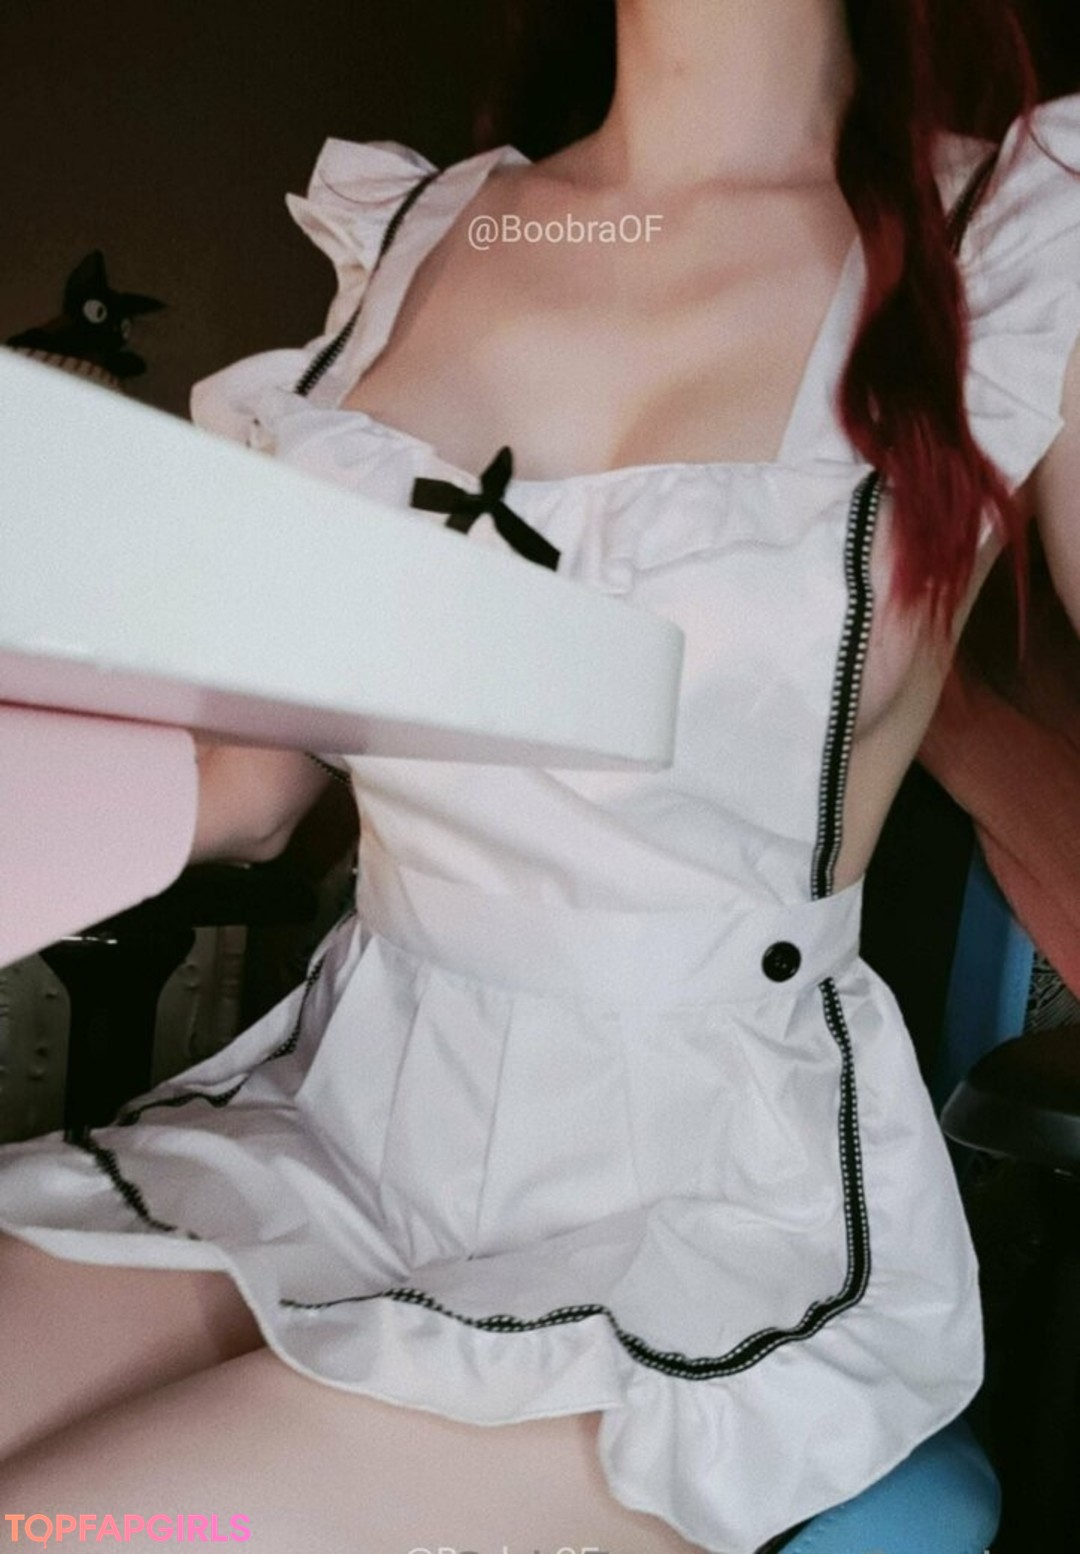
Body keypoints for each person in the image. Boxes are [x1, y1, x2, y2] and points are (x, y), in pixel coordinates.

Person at [2, 1, 1080, 1549]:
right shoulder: (420, 231)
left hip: (697, 1205)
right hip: (348, 1122)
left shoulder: (1020, 234)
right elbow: (246, 782)